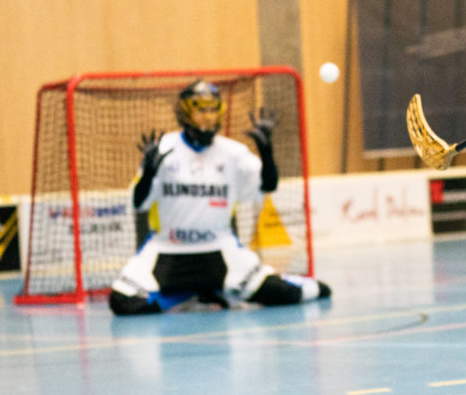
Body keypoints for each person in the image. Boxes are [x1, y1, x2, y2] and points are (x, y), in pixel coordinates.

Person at [109, 80, 331, 315]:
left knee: (289, 294)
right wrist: (148, 174)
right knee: (123, 302)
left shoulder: (233, 153)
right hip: (168, 249)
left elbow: (268, 185)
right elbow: (139, 203)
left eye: (212, 109)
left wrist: (267, 153)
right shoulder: (163, 149)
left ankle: (220, 288)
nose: (207, 116)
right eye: (200, 109)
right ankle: (194, 293)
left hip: (220, 248)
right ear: (185, 112)